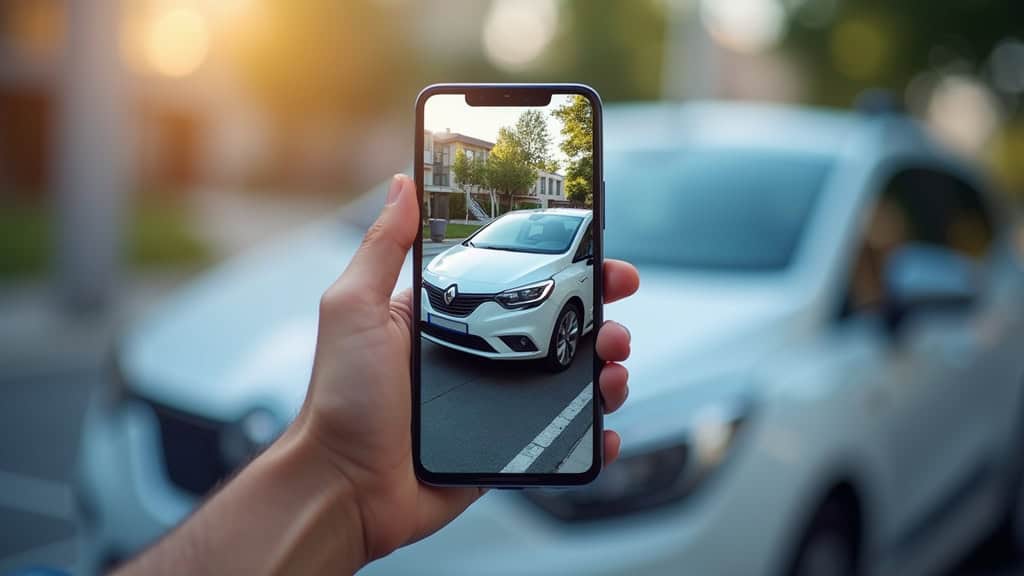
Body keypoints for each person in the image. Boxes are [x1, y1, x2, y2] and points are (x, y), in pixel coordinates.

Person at [115, 175, 639, 575]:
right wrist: (340, 475)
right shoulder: (458, 258)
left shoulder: (571, 262)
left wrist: (343, 489)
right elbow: (445, 284)